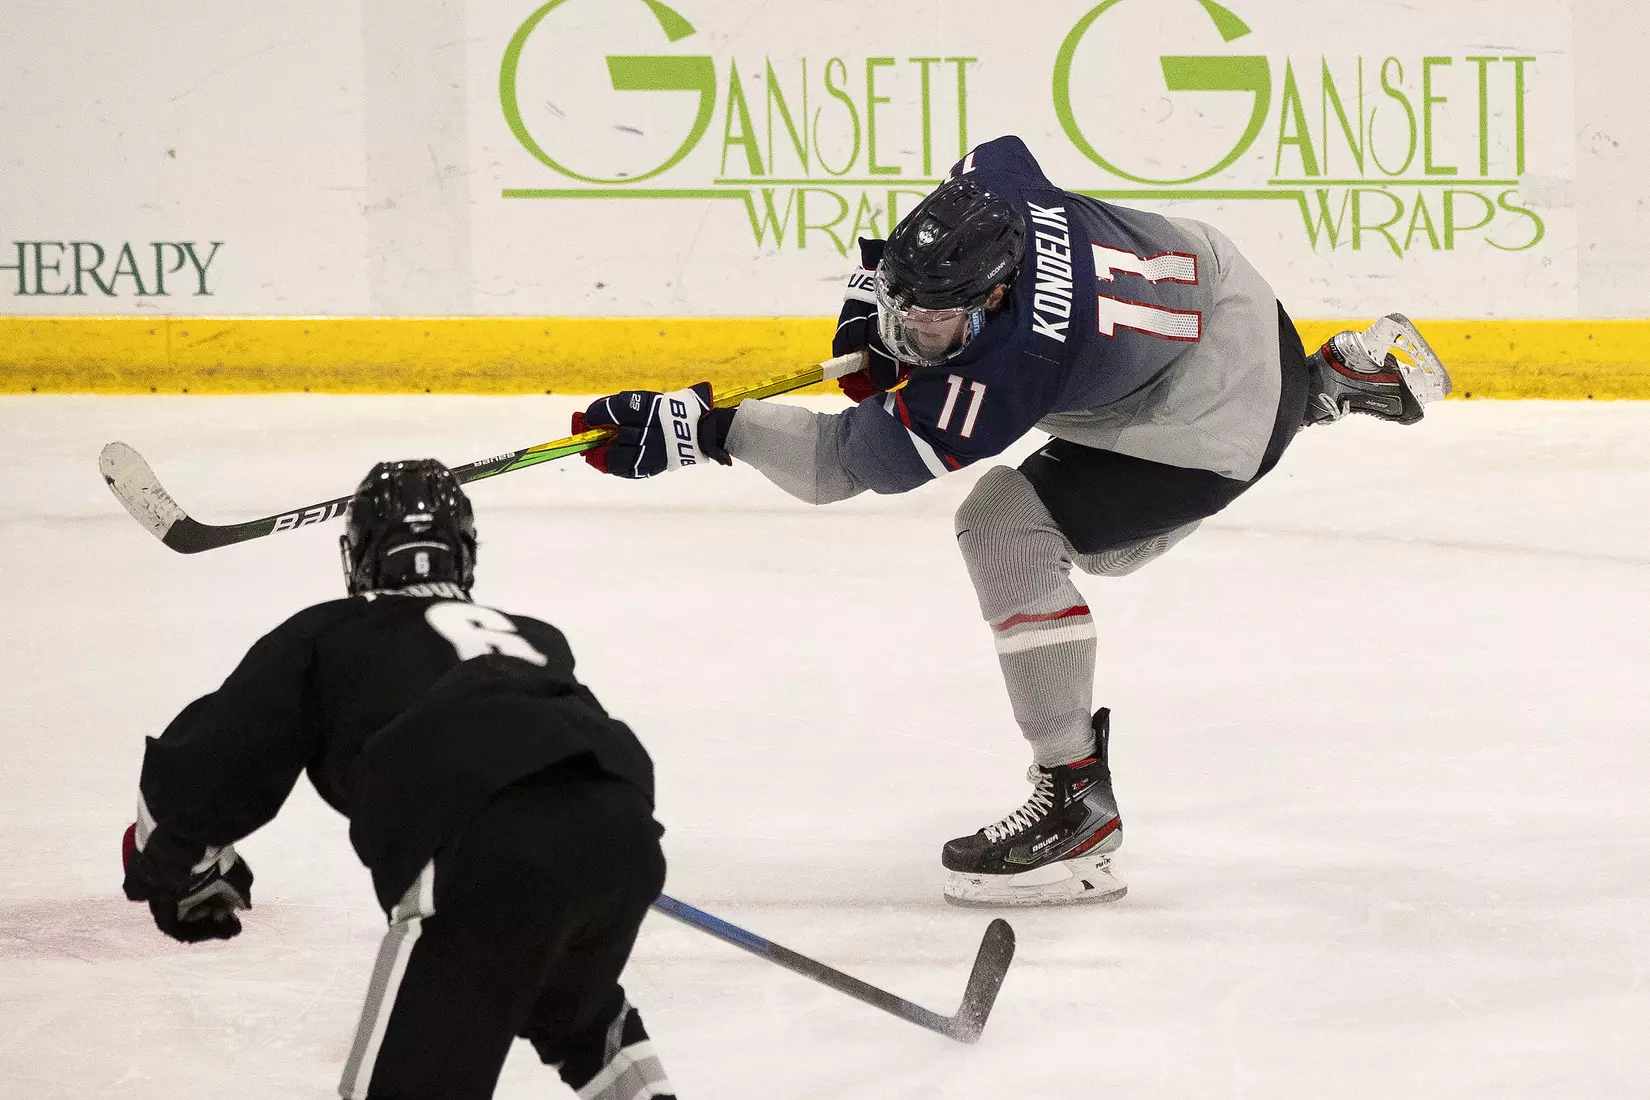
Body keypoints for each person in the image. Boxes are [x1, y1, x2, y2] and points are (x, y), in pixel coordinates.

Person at [570, 135, 1451, 908]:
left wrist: (710, 430)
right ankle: (1325, 381)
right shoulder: (998, 184)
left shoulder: (1005, 375)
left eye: (934, 323)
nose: (912, 333)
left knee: (1008, 529)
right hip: (1219, 285)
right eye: (907, 310)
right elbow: (956, 195)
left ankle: (1076, 802)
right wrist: (878, 306)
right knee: (1084, 528)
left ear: (993, 300)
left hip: (1216, 414)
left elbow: (837, 463)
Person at [119, 459, 676, 1100]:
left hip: (486, 848)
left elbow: (209, 765)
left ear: (358, 555)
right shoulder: (535, 638)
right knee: (575, 1010)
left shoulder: (328, 632)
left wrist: (177, 872)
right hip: (623, 831)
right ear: (463, 553)